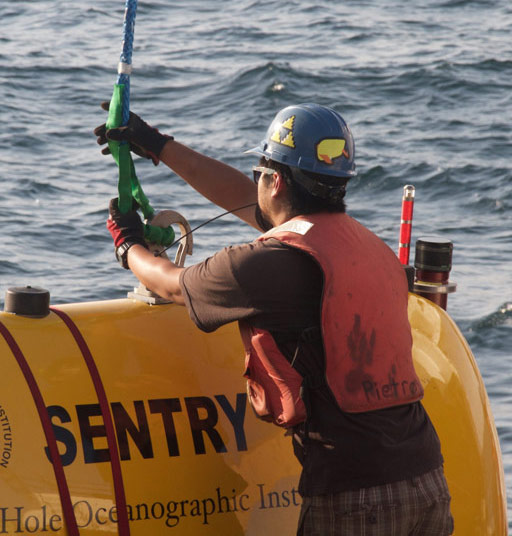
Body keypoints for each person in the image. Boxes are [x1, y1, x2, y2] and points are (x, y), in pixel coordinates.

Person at [96, 103, 453, 535]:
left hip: (356, 495)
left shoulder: (269, 265)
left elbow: (173, 284)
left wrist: (128, 243)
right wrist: (156, 145)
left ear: (277, 181)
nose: (255, 182)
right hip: (427, 478)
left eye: (260, 172)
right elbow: (245, 199)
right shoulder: (365, 246)